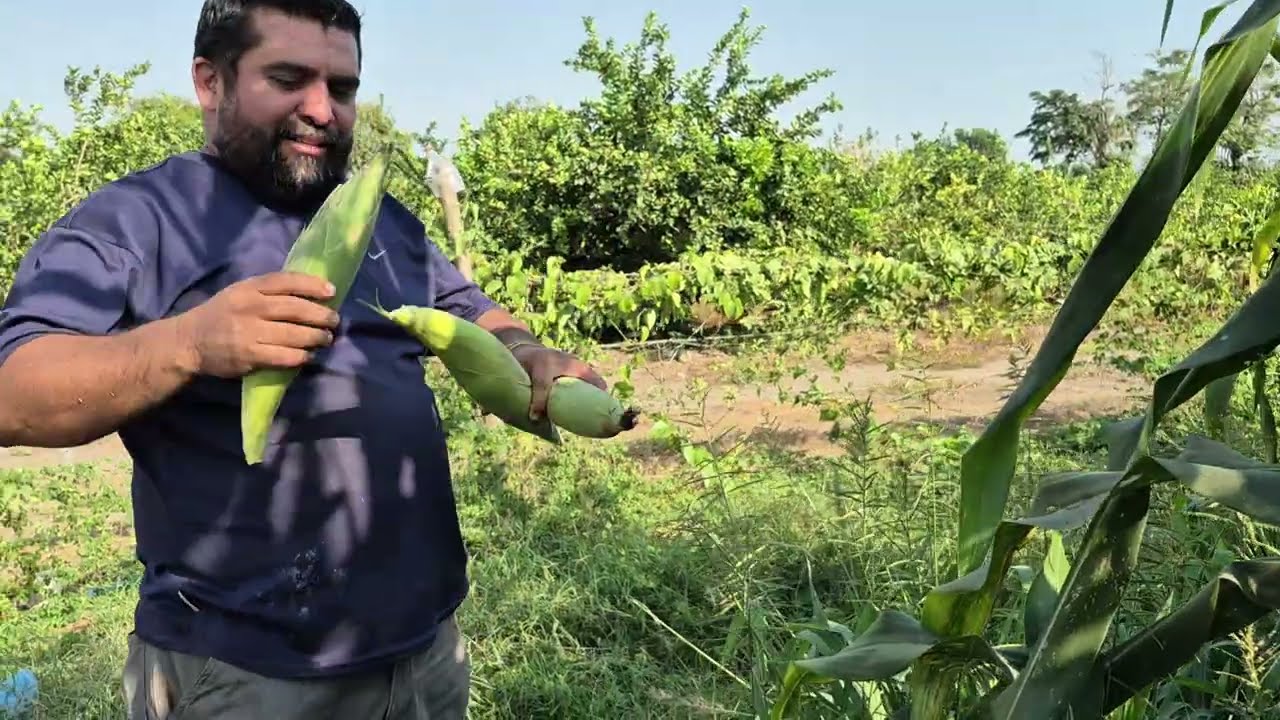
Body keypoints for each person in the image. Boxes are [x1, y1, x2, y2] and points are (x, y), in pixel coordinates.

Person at [0, 1, 607, 718]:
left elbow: (473, 311)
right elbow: (15, 393)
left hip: (426, 654)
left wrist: (527, 352)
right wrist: (192, 343)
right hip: (243, 674)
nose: (322, 109)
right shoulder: (139, 220)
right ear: (210, 81)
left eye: (342, 87)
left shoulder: (376, 217)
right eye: (288, 78)